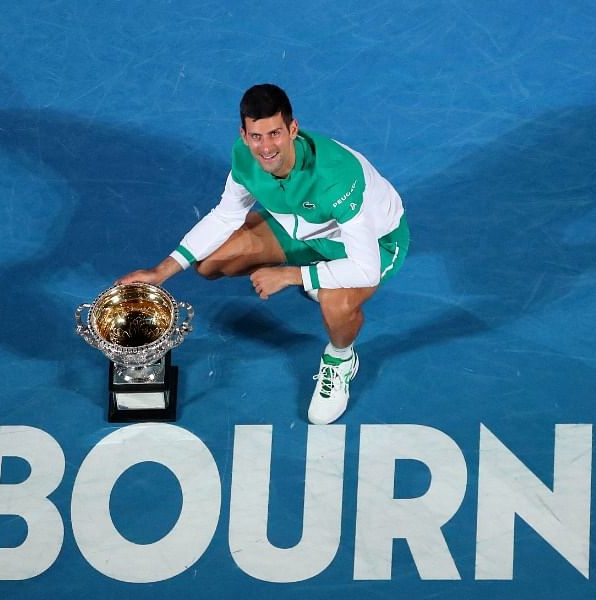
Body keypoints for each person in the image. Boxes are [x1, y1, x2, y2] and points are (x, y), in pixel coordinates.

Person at [118, 84, 409, 424]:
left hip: (372, 244)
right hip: (304, 229)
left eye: (275, 134)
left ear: (293, 129)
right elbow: (226, 215)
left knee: (335, 303)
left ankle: (341, 358)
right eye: (256, 136)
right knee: (210, 263)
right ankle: (319, 269)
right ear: (243, 134)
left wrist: (290, 275)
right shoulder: (245, 158)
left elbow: (365, 269)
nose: (266, 147)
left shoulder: (336, 177)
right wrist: (161, 272)